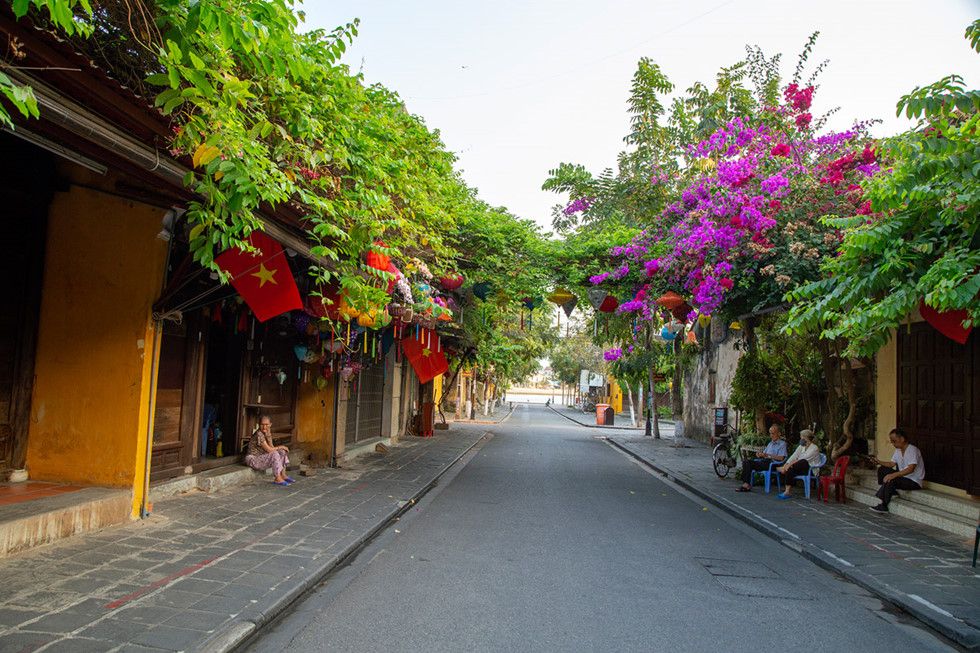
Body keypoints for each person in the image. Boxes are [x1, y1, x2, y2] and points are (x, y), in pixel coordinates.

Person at [868, 427, 924, 513]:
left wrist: (893, 475)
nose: (892, 443)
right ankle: (890, 490)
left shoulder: (913, 450)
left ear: (902, 439)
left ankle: (883, 506)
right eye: (892, 441)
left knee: (891, 479)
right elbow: (891, 464)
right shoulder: (898, 450)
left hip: (913, 481)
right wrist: (879, 462)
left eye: (894, 441)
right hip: (903, 477)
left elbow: (910, 469)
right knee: (882, 470)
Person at [735, 424, 787, 492]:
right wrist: (759, 454)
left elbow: (781, 458)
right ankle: (746, 484)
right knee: (746, 462)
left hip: (773, 464)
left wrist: (768, 455)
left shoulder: (782, 444)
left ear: (779, 433)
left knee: (754, 462)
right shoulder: (770, 443)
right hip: (764, 462)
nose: (771, 435)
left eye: (773, 433)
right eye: (770, 433)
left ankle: (746, 485)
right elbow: (764, 453)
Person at [245, 415, 294, 485]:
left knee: (282, 452)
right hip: (253, 459)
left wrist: (269, 437)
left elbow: (272, 446)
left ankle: (283, 475)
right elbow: (269, 450)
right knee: (275, 453)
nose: (264, 427)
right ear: (259, 425)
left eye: (266, 424)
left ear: (270, 424)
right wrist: (281, 446)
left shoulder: (267, 432)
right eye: (262, 425)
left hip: (262, 457)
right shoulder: (259, 434)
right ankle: (277, 478)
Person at [776, 429, 821, 499]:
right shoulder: (801, 447)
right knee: (790, 469)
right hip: (798, 467)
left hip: (810, 470)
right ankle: (787, 491)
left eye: (801, 437)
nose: (800, 439)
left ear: (806, 438)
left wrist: (788, 465)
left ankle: (785, 468)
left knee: (803, 461)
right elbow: (794, 456)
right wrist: (786, 464)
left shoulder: (814, 448)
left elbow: (804, 458)